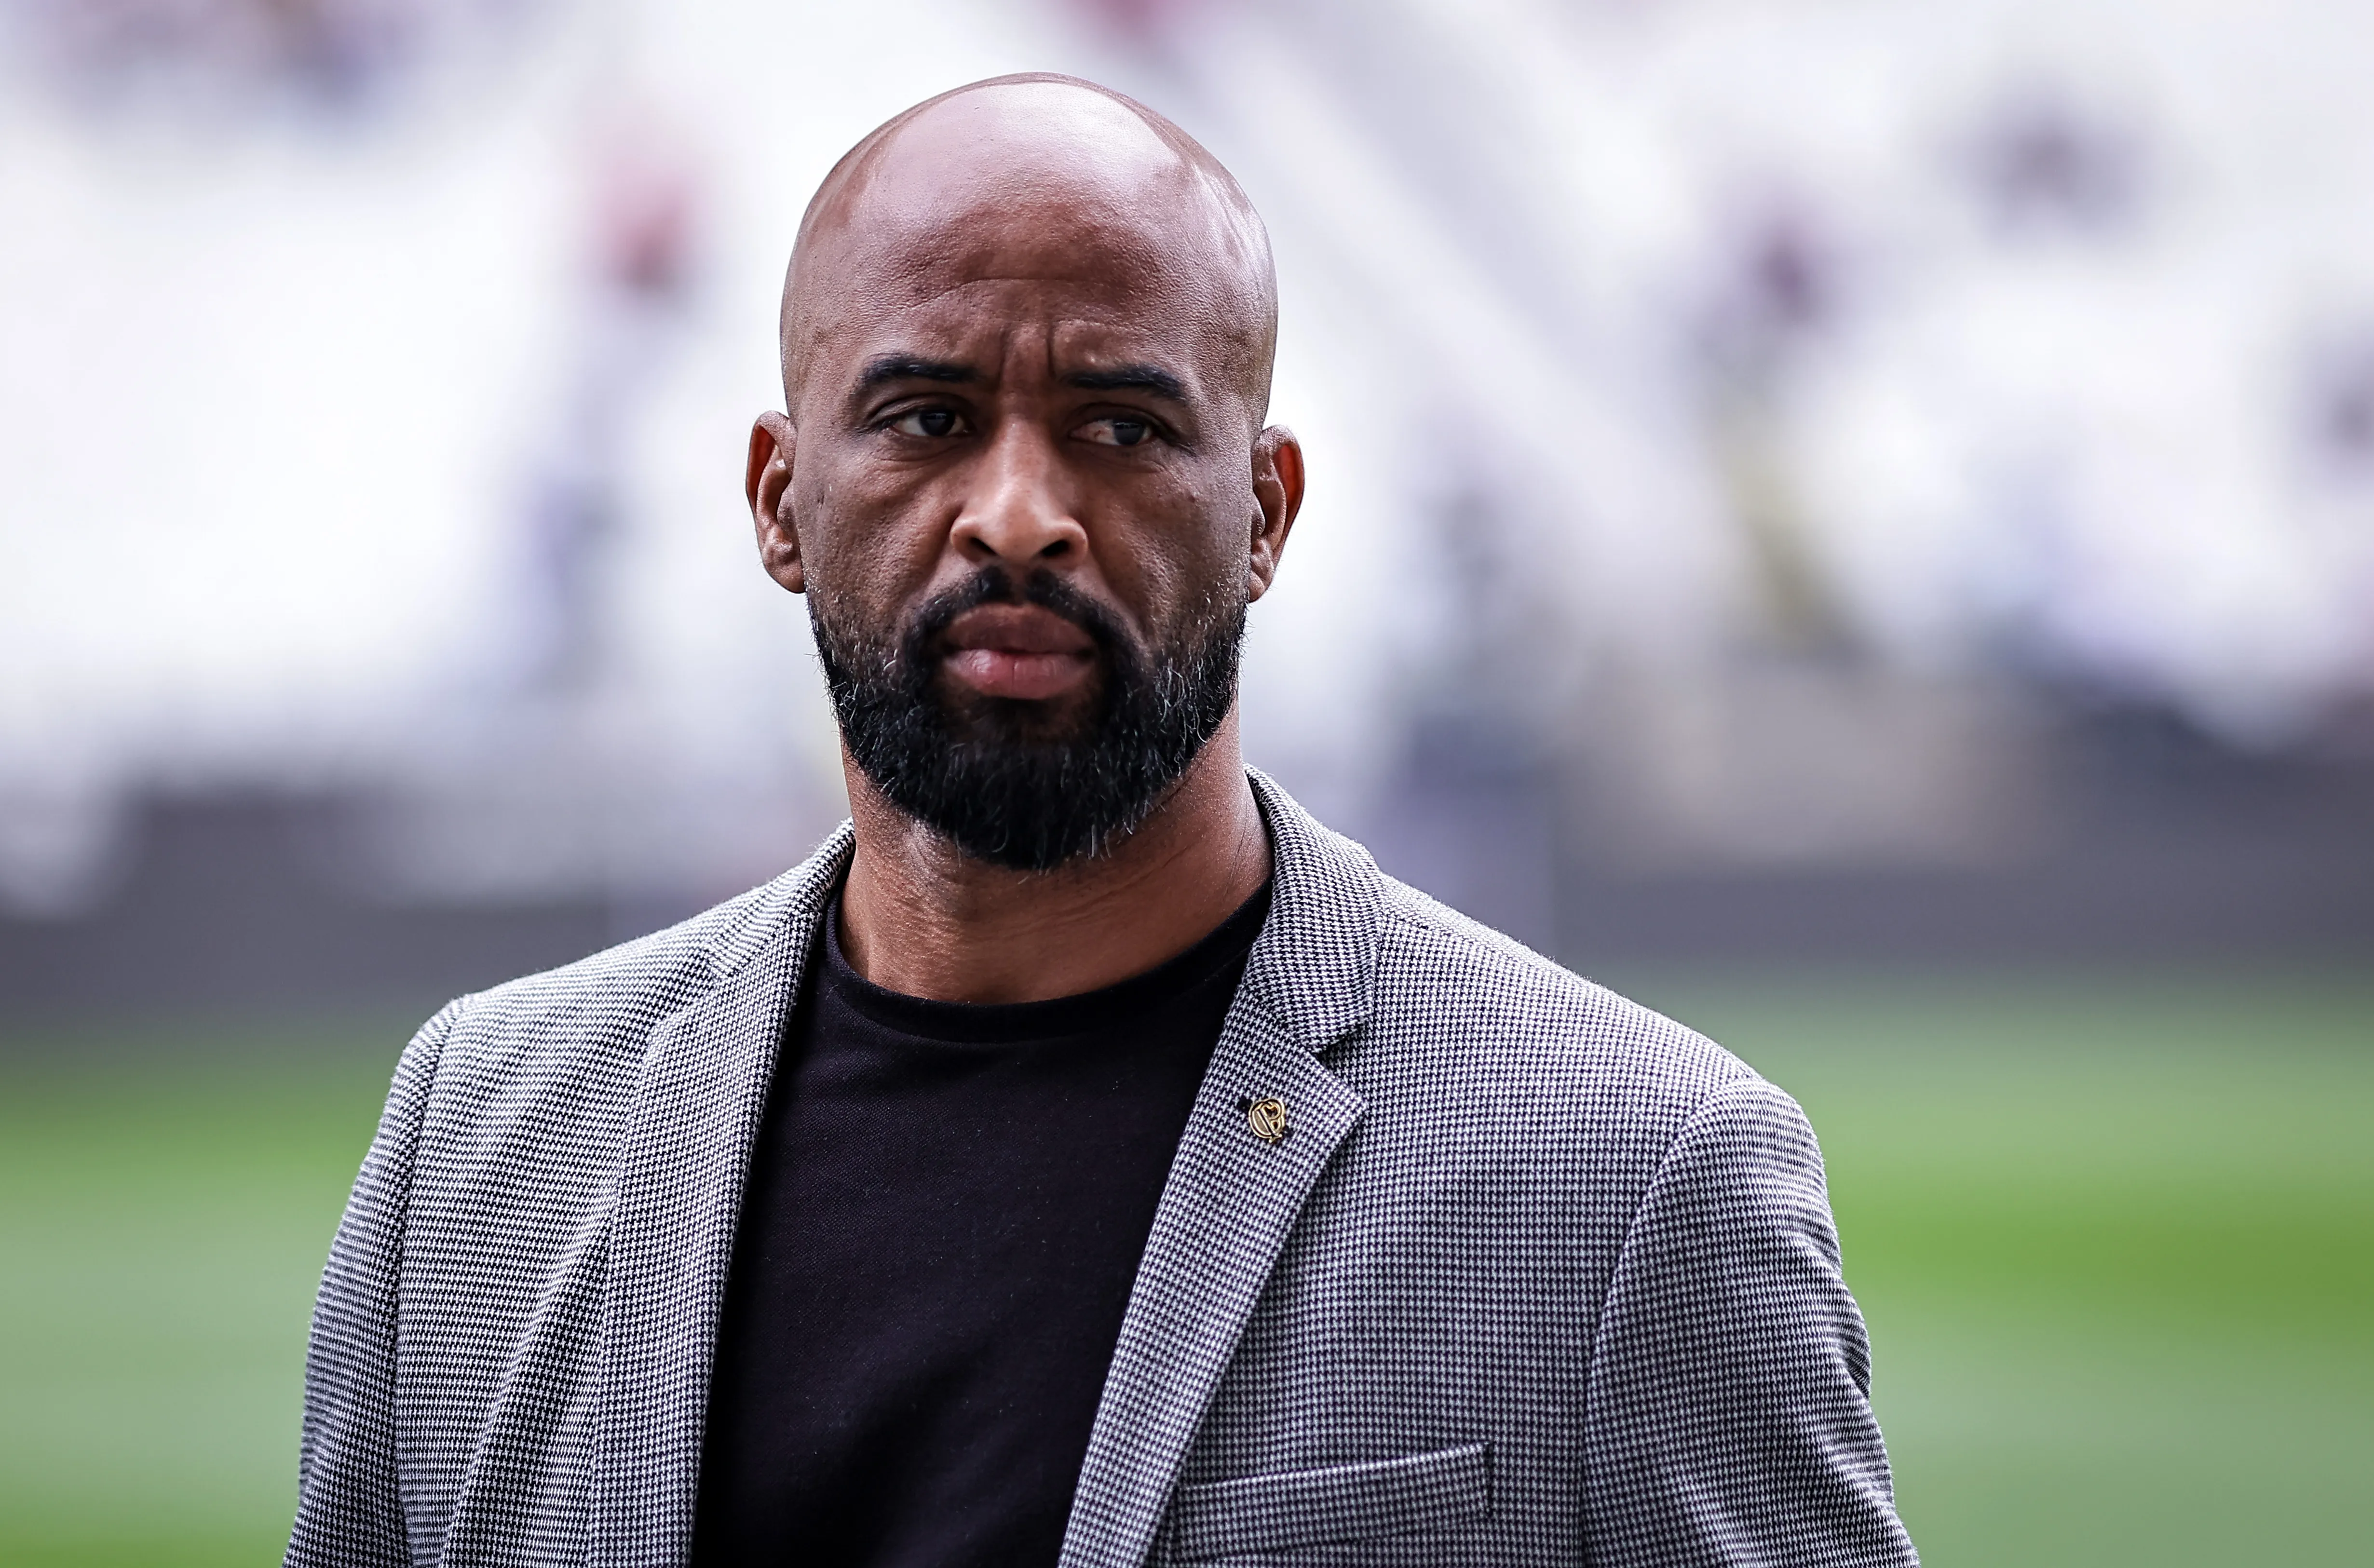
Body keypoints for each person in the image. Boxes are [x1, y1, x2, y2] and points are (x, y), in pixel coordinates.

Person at [287, 74, 1917, 1568]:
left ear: (1265, 512)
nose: (1018, 513)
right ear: (780, 500)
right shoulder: (477, 1142)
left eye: (1122, 428)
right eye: (925, 416)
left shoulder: (1643, 1175)